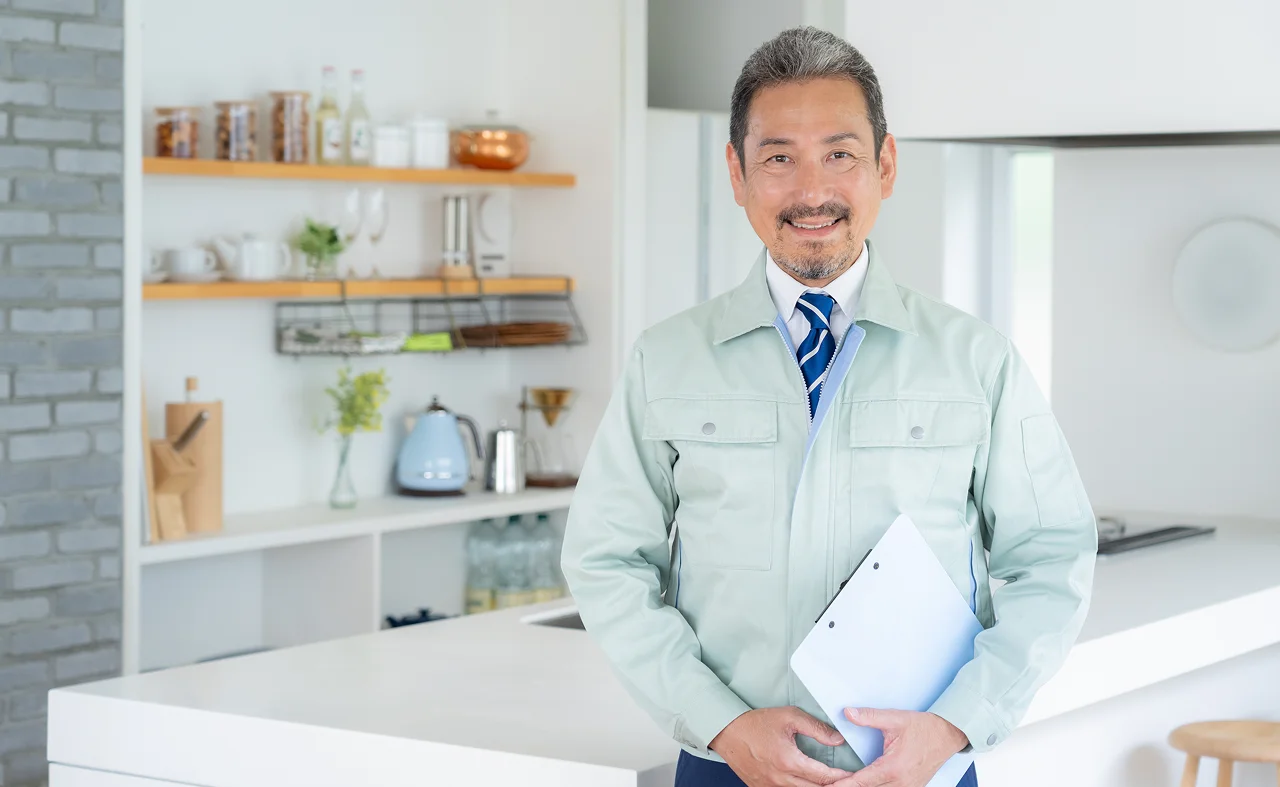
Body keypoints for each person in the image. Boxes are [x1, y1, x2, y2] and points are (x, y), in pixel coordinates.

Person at [562, 26, 1097, 787]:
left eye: (840, 154)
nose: (811, 192)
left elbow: (1053, 557)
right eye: (779, 158)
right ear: (737, 173)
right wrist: (717, 720)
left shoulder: (978, 360)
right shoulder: (666, 360)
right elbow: (606, 559)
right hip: (727, 766)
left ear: (885, 165)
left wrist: (958, 722)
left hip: (922, 770)